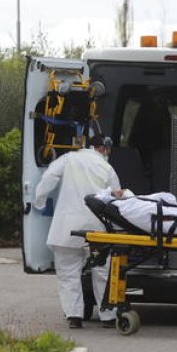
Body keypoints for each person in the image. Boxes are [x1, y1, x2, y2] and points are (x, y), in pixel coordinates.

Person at [33, 136, 126, 329]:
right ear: (102, 148)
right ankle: (107, 316)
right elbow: (117, 198)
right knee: (102, 272)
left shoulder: (68, 159)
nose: (107, 154)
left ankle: (74, 316)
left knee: (68, 274)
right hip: (97, 228)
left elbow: (49, 177)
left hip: (66, 228)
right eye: (107, 150)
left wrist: (39, 202)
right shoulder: (107, 168)